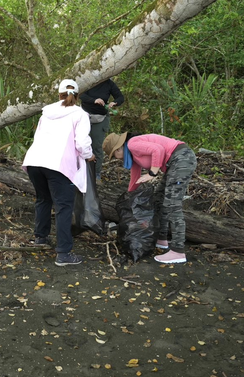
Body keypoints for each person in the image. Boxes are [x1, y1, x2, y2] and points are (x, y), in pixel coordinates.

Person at [21, 79, 93, 266]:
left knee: (43, 199)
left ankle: (41, 238)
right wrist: (89, 155)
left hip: (35, 161)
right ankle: (63, 253)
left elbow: (37, 137)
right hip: (59, 165)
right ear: (77, 96)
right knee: (63, 207)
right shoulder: (80, 114)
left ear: (59, 94)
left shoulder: (47, 113)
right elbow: (82, 143)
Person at [103, 132, 197, 264]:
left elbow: (157, 150)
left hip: (182, 158)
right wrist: (129, 199)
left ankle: (178, 250)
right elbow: (134, 179)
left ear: (119, 148)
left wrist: (152, 173)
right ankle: (162, 239)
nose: (115, 158)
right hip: (174, 163)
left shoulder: (133, 144)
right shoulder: (133, 156)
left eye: (114, 155)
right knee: (158, 199)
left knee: (172, 204)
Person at [80, 78, 124, 181]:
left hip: (100, 118)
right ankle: (80, 172)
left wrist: (115, 103)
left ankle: (96, 174)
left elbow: (120, 97)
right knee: (81, 144)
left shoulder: (109, 83)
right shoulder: (88, 80)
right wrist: (94, 100)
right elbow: (81, 94)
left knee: (97, 146)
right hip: (84, 116)